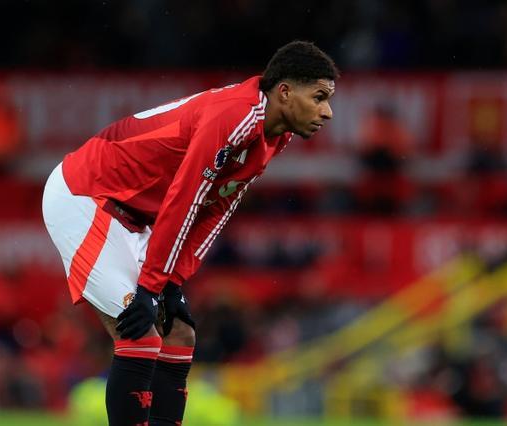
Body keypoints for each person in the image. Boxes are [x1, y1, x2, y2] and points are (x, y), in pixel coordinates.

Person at [42, 40, 338, 425]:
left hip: (133, 219)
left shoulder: (272, 136)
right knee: (140, 333)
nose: (327, 112)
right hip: (86, 196)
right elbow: (184, 201)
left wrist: (173, 282)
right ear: (284, 92)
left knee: (179, 334)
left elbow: (216, 209)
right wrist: (151, 286)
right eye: (319, 97)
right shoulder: (235, 117)